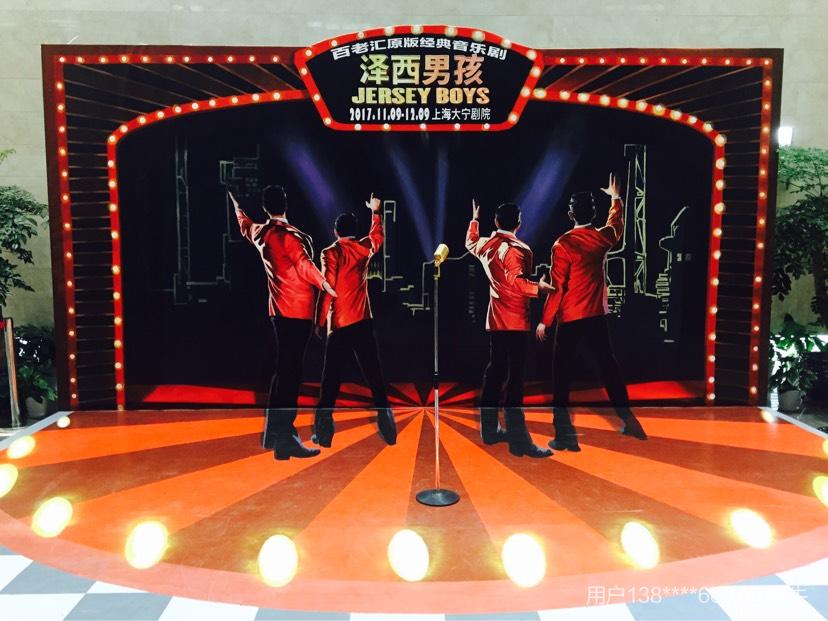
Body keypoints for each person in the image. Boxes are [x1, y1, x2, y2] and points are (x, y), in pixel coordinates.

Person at [536, 173, 648, 452]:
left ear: (570, 214)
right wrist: (616, 198)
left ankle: (564, 436)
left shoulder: (563, 244)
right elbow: (616, 225)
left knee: (562, 377)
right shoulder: (602, 238)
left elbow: (557, 289)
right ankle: (630, 421)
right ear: (593, 213)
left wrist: (544, 321)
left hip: (571, 319)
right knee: (609, 368)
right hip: (596, 316)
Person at [231, 186, 337, 460]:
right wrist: (324, 283)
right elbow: (304, 264)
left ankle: (273, 434)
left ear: (265, 207)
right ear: (285, 203)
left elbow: (244, 224)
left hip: (278, 312)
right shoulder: (288, 237)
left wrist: (236, 205)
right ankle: (285, 439)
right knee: (290, 375)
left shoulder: (260, 233)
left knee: (283, 372)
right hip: (297, 314)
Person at [466, 199, 556, 458]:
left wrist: (474, 220)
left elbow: (470, 242)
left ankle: (490, 431)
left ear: (496, 222)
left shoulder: (486, 245)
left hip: (496, 319)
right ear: (519, 223)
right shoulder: (518, 249)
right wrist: (539, 288)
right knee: (515, 380)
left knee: (495, 373)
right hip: (515, 321)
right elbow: (515, 283)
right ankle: (519, 443)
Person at [313, 195, 397, 447]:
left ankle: (324, 435)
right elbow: (377, 238)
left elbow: (328, 289)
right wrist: (376, 213)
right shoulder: (363, 248)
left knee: (330, 382)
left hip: (340, 324)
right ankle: (389, 431)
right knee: (375, 378)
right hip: (363, 321)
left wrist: (319, 321)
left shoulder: (330, 253)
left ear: (335, 231)